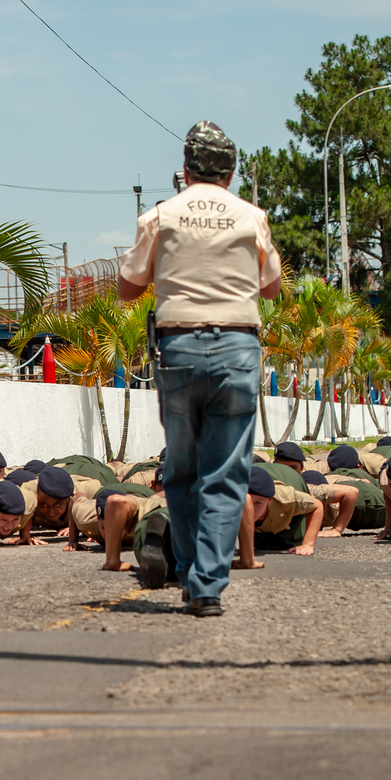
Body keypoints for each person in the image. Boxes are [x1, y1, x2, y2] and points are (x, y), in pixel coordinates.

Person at [117, 121, 282, 617]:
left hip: (179, 348)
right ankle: (208, 584)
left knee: (182, 470)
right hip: (237, 347)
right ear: (231, 175)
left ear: (185, 170)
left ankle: (190, 573)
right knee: (227, 472)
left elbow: (127, 288)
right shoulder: (252, 216)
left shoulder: (160, 216)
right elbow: (271, 287)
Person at [245, 466, 326, 556]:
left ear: (269, 500)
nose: (250, 508)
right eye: (245, 502)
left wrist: (308, 544)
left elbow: (317, 506)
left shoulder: (287, 499)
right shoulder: (229, 501)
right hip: (256, 470)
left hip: (288, 475)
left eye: (257, 503)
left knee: (291, 538)